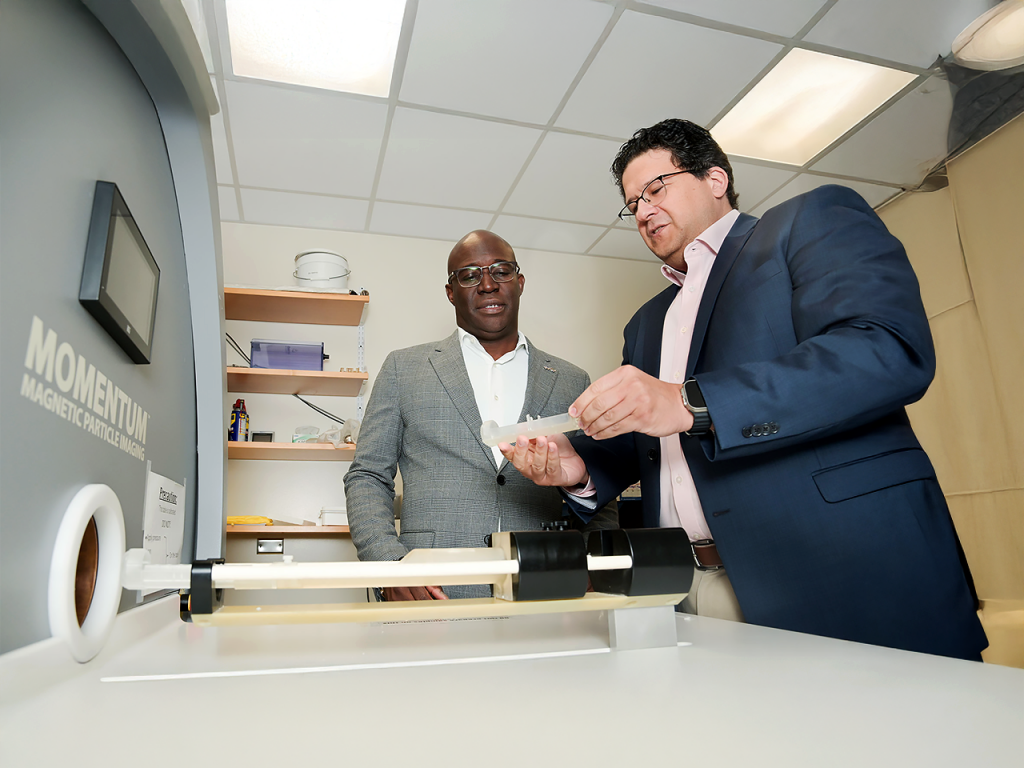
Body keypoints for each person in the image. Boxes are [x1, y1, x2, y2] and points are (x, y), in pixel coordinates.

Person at [502, 119, 987, 660]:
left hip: (845, 575)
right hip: (689, 587)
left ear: (715, 177)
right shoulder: (646, 323)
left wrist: (688, 401)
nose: (641, 211)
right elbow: (653, 438)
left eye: (656, 188)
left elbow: (886, 349)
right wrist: (582, 469)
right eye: (631, 203)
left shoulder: (808, 222)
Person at [345, 230, 616, 601]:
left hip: (547, 587)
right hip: (432, 589)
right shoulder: (403, 368)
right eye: (470, 275)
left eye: (501, 271)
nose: (488, 284)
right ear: (450, 291)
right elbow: (367, 476)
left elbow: (601, 484)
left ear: (519, 283)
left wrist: (593, 563)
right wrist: (389, 565)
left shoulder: (572, 379)